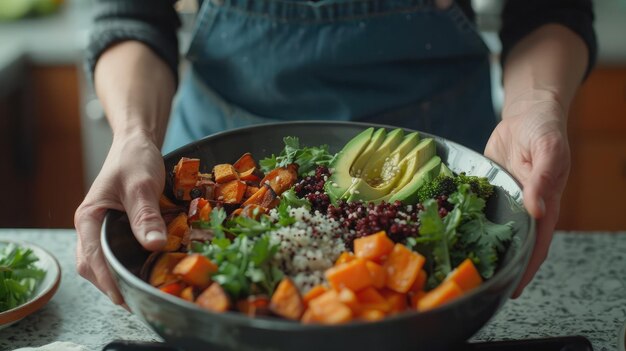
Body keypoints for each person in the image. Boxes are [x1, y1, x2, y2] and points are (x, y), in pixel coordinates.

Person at [75, 0, 596, 305]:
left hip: (444, 145)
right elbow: (131, 14)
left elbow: (548, 7)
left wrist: (537, 103)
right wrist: (133, 136)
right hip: (227, 146)